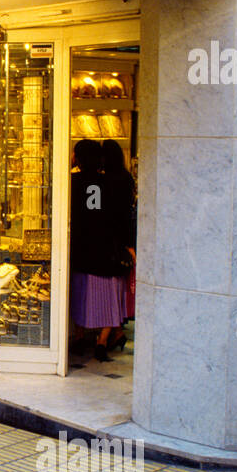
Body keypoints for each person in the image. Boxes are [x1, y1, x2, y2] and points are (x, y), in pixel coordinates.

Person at [69, 139, 132, 363]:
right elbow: (117, 217)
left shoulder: (72, 181)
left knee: (79, 292)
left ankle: (79, 337)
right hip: (104, 249)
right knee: (108, 296)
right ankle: (102, 341)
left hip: (80, 249)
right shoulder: (109, 182)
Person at [100, 138, 137, 344]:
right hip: (121, 239)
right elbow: (127, 212)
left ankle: (111, 333)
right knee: (118, 287)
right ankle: (117, 330)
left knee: (111, 287)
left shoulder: (103, 181)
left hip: (109, 240)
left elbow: (99, 210)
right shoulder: (126, 178)